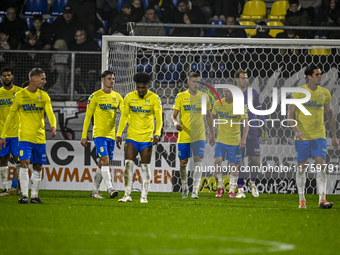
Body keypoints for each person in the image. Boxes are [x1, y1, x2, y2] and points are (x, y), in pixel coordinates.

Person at [0, 68, 57, 204]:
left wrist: (54, 125)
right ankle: (25, 195)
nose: (45, 81)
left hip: (39, 138)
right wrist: (3, 135)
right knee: (24, 164)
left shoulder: (44, 96)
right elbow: (10, 116)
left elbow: (50, 112)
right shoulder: (20, 95)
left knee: (37, 167)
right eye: (42, 79)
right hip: (24, 138)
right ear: (34, 79)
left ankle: (34, 196)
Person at [287, 65, 339, 209]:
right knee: (301, 167)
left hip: (319, 136)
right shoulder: (300, 92)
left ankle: (322, 199)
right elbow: (290, 115)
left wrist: (334, 136)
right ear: (309, 76)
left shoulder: (325, 93)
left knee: (321, 165)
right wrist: (296, 131)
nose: (320, 76)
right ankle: (302, 200)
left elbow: (329, 113)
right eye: (317, 74)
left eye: (320, 74)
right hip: (303, 136)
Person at [116, 72, 163, 203]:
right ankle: (127, 194)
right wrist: (119, 134)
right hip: (132, 136)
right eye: (138, 87)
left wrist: (157, 134)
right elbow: (124, 117)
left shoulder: (154, 98)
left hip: (147, 138)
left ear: (148, 85)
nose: (140, 90)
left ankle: (144, 196)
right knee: (128, 164)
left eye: (143, 87)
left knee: (145, 167)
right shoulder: (129, 97)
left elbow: (159, 119)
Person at [171, 72, 215, 199]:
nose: (197, 84)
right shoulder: (181, 96)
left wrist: (212, 132)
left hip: (199, 135)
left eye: (198, 82)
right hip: (184, 134)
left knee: (198, 161)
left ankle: (195, 191)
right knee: (183, 162)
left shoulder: (204, 97)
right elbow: (173, 116)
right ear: (188, 82)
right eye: (194, 81)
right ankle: (185, 189)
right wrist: (175, 124)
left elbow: (208, 116)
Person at [81, 70, 123, 199]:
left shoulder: (117, 97)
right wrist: (84, 135)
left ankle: (94, 191)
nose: (112, 81)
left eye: (113, 78)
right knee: (105, 160)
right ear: (103, 80)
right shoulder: (95, 96)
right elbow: (88, 117)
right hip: (99, 134)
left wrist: (120, 133)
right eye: (109, 78)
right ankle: (110, 188)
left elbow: (125, 114)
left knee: (102, 163)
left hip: (111, 135)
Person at [234, 70, 268, 198]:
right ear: (236, 79)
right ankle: (240, 188)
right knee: (239, 162)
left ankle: (252, 183)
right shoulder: (232, 94)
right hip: (237, 130)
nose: (245, 80)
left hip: (253, 129)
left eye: (246, 78)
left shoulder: (252, 92)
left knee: (256, 160)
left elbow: (258, 108)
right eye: (242, 78)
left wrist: (263, 122)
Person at [213, 88, 248, 198]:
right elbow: (211, 118)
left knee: (234, 166)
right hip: (220, 140)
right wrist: (210, 132)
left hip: (234, 141)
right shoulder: (218, 103)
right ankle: (219, 188)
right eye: (224, 91)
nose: (225, 93)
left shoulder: (240, 105)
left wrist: (243, 139)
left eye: (228, 91)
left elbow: (246, 123)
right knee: (217, 161)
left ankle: (231, 191)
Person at [0, 67, 22, 196]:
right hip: (2, 133)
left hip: (17, 133)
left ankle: (15, 186)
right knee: (2, 160)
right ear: (1, 78)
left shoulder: (19, 92)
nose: (6, 77)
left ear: (12, 77)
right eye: (4, 76)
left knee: (18, 160)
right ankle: (5, 189)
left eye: (8, 75)